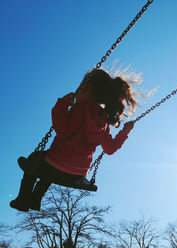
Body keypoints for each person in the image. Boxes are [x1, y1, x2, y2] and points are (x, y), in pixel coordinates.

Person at [10, 69, 138, 212]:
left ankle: (23, 200)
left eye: (81, 87)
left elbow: (63, 131)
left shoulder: (80, 108)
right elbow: (110, 149)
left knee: (35, 161)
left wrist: (62, 105)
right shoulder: (104, 121)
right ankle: (35, 200)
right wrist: (124, 132)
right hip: (78, 173)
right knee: (50, 164)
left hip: (56, 164)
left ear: (86, 88)